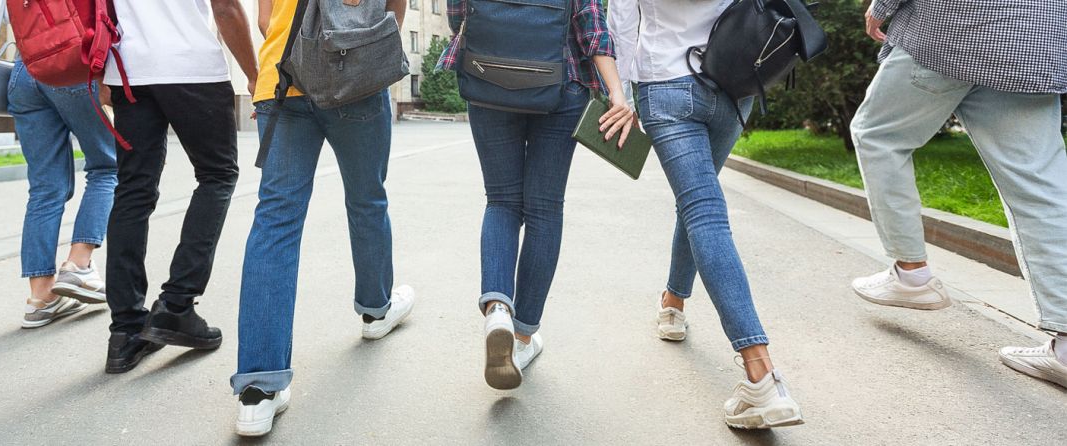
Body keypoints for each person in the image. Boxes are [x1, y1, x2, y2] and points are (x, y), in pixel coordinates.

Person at [850, 1, 1067, 387]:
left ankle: (911, 275)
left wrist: (882, 5)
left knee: (879, 136)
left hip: (954, 28)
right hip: (1033, 40)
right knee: (1039, 187)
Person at [611, 0, 805, 429]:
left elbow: (622, 18)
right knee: (700, 203)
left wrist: (621, 92)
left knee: (703, 211)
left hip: (666, 83)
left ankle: (761, 377)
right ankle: (673, 303)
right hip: (733, 78)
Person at [230, 0, 414, 436]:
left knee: (275, 221)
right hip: (356, 76)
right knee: (367, 200)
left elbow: (263, 18)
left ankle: (259, 388)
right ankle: (375, 310)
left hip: (283, 76)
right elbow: (395, 8)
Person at [439, 0, 635, 390]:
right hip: (560, 84)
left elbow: (458, 14)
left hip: (487, 77)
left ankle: (497, 308)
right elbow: (591, 25)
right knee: (545, 210)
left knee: (501, 201)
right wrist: (617, 92)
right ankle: (523, 335)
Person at [102, 0, 258, 374]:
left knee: (132, 191)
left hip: (127, 71)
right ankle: (175, 306)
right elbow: (226, 7)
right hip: (192, 69)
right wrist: (254, 74)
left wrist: (99, 73)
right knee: (217, 175)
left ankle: (125, 333)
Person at [8, 62, 115, 329]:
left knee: (45, 188)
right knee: (107, 166)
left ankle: (41, 297)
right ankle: (79, 265)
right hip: (73, 68)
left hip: (23, 72)